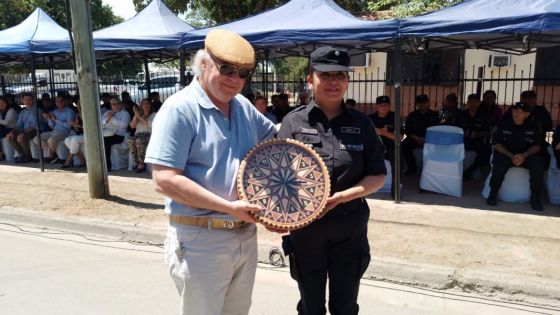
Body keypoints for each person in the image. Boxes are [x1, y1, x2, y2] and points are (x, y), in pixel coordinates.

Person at [144, 29, 276, 315]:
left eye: (243, 73)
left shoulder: (242, 106)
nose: (234, 79)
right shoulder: (179, 109)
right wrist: (228, 207)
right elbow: (164, 179)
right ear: (203, 64)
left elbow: (276, 141)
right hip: (201, 240)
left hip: (244, 235)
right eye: (226, 68)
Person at [277, 46, 386, 315]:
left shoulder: (362, 124)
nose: (333, 81)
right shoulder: (293, 122)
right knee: (311, 305)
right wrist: (278, 214)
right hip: (307, 229)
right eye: (325, 75)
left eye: (340, 75)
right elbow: (278, 177)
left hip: (349, 226)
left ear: (347, 81)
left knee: (346, 306)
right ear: (310, 78)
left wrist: (342, 197)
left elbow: (377, 175)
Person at [486, 102, 544, 211]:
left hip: (526, 156)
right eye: (514, 110)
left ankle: (535, 198)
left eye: (520, 112)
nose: (516, 113)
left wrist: (524, 155)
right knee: (499, 164)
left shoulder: (533, 126)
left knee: (538, 164)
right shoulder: (504, 123)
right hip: (507, 154)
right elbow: (496, 143)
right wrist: (511, 155)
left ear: (527, 114)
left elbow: (537, 146)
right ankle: (493, 194)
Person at [368, 95, 401, 196]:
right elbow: (366, 136)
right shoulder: (370, 118)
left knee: (397, 164)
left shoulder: (395, 117)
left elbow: (400, 138)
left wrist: (384, 133)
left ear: (390, 106)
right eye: (381, 105)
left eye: (386, 105)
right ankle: (367, 189)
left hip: (392, 147)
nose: (384, 107)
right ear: (377, 106)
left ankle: (395, 193)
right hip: (375, 147)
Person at [454, 94, 491, 180]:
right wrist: (462, 133)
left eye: (475, 102)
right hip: (462, 141)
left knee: (487, 151)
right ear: (467, 103)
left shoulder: (484, 115)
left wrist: (477, 134)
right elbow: (455, 129)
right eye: (470, 102)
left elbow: (487, 132)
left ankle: (470, 171)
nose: (472, 104)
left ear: (479, 103)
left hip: (477, 141)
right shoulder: (461, 114)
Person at [402, 94, 439, 175]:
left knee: (436, 147)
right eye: (420, 103)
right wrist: (417, 138)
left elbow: (437, 130)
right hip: (415, 139)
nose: (422, 105)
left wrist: (426, 139)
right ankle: (412, 168)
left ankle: (426, 169)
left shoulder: (434, 115)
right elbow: (407, 130)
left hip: (429, 140)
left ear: (428, 103)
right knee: (404, 144)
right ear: (417, 104)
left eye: (424, 102)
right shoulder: (412, 115)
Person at [34, 95, 76, 163]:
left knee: (51, 140)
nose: (60, 103)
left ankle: (50, 155)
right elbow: (52, 126)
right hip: (54, 131)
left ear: (65, 102)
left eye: (61, 101)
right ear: (55, 103)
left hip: (65, 132)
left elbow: (68, 126)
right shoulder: (55, 111)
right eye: (57, 102)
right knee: (36, 138)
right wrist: (50, 119)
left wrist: (56, 120)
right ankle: (52, 152)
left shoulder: (70, 111)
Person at [6, 93, 46, 163]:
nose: (28, 101)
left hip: (36, 130)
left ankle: (28, 157)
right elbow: (18, 125)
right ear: (23, 101)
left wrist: (23, 133)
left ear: (33, 100)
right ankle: (23, 155)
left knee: (21, 138)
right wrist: (11, 132)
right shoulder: (23, 112)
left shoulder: (37, 110)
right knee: (9, 137)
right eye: (26, 99)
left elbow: (34, 126)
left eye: (30, 99)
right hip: (25, 130)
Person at [101, 97, 131, 171]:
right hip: (108, 134)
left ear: (121, 104)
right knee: (100, 140)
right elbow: (101, 122)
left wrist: (111, 119)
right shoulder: (108, 112)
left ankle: (107, 166)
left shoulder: (125, 113)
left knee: (105, 141)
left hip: (120, 136)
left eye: (118, 103)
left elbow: (124, 125)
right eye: (113, 104)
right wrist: (108, 119)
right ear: (111, 105)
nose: (116, 105)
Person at [128, 98, 155, 173]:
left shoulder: (154, 114)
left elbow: (149, 124)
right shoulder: (139, 115)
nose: (145, 105)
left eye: (147, 103)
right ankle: (136, 162)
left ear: (150, 105)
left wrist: (138, 116)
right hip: (138, 134)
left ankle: (142, 163)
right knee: (131, 140)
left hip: (148, 134)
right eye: (143, 104)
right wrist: (136, 115)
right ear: (141, 106)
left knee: (139, 140)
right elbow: (132, 126)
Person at [62, 100, 86, 168]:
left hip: (89, 135)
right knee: (67, 140)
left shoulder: (89, 113)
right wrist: (74, 125)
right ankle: (81, 159)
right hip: (81, 135)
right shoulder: (78, 114)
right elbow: (77, 129)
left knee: (74, 139)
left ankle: (68, 161)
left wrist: (79, 126)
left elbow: (89, 127)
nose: (79, 106)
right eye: (78, 104)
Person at [0, 96, 19, 161]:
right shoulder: (2, 112)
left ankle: (0, 153)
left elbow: (6, 122)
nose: (1, 104)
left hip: (13, 129)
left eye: (2, 102)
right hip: (6, 130)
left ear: (7, 103)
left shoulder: (11, 110)